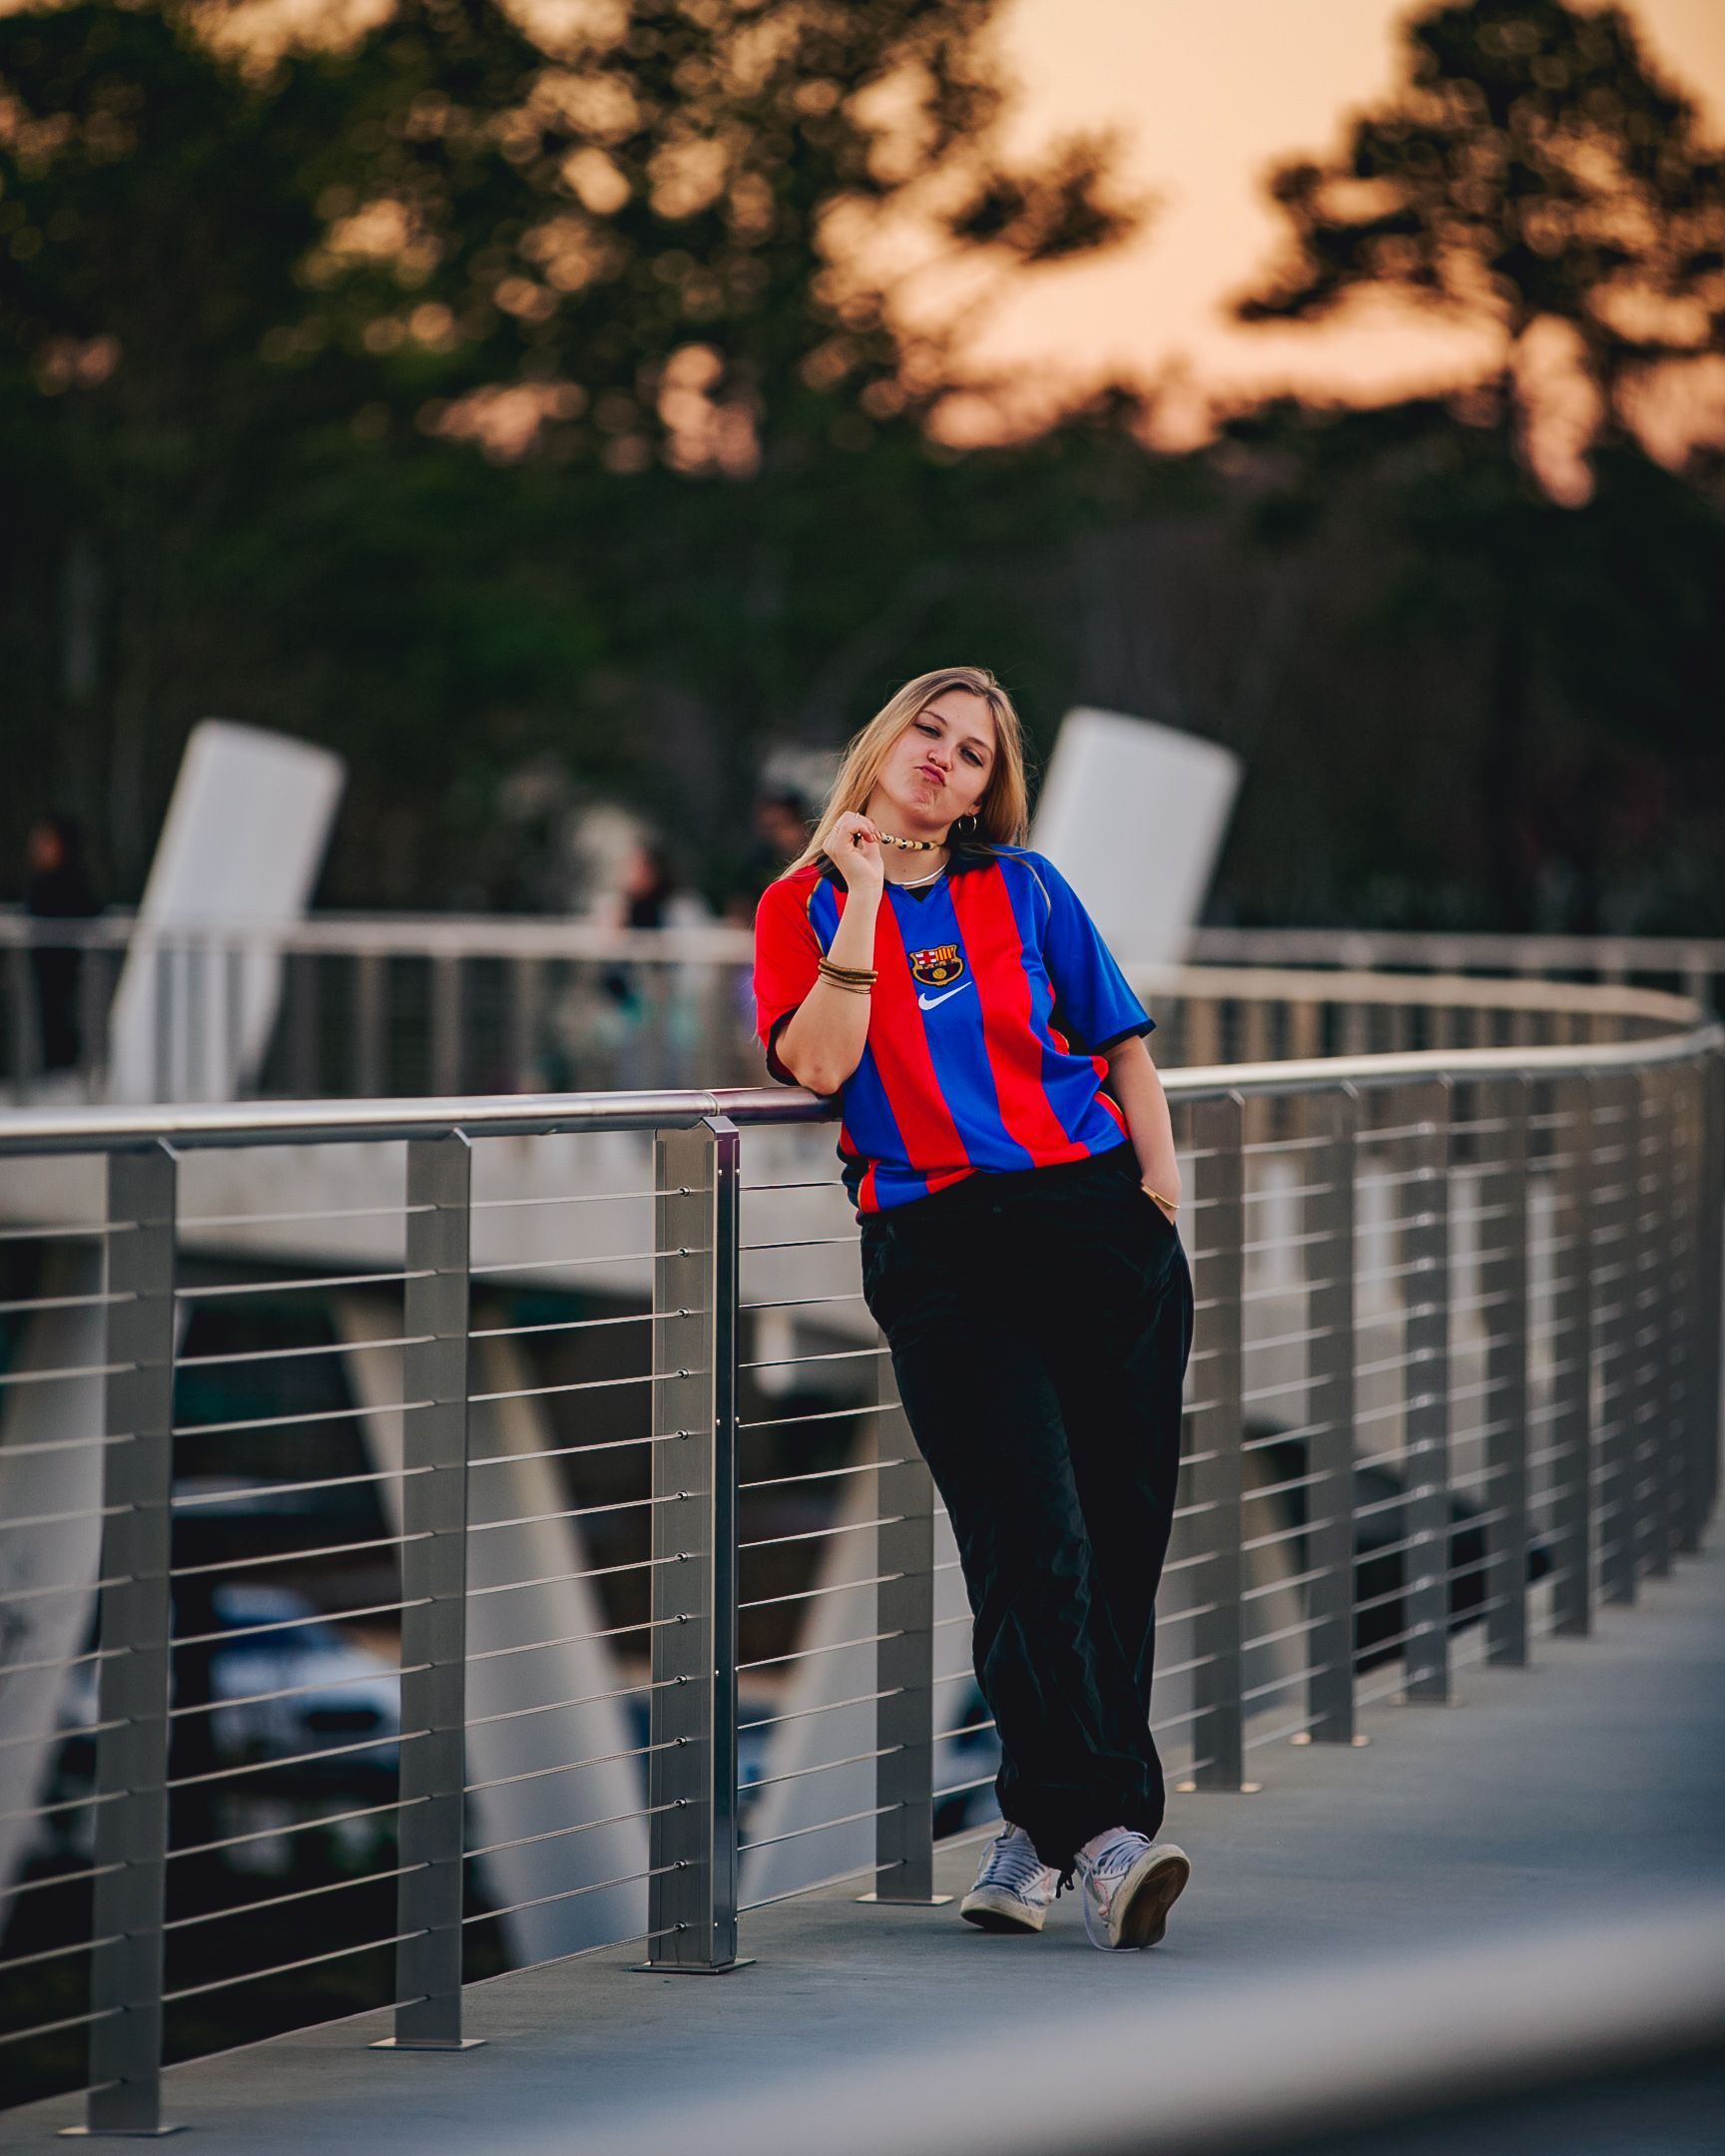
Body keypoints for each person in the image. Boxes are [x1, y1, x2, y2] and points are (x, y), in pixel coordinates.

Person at [752, 665, 1195, 1952]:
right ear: (884, 741)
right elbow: (822, 1062)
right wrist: (869, 902)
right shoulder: (804, 905)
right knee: (1026, 1536)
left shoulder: (1031, 889)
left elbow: (1122, 1049)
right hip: (941, 1247)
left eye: (976, 752)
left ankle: (1040, 1836)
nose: (946, 759)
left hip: (1097, 1229)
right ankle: (1109, 1840)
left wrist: (1156, 1191)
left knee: (1117, 1544)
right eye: (928, 733)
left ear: (992, 789)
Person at [23, 813, 100, 1076]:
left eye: (45, 842)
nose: (37, 849)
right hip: (47, 977)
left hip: (65, 976)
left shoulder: (67, 886)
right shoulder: (44, 886)